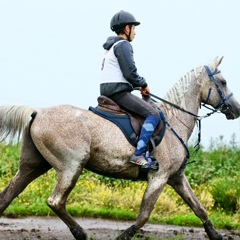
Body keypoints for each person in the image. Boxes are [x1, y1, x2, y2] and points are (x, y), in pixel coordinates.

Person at [100, 10, 160, 170]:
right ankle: (139, 154)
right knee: (153, 114)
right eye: (134, 28)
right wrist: (143, 84)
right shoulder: (123, 45)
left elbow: (121, 75)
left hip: (108, 90)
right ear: (127, 29)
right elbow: (130, 73)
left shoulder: (111, 46)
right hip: (117, 92)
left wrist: (137, 86)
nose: (135, 32)